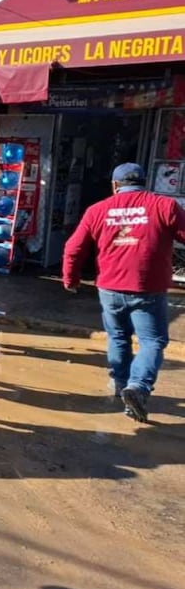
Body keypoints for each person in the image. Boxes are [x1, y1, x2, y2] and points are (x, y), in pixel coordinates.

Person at [63, 162, 185, 423]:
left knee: (118, 336)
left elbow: (74, 247)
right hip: (147, 288)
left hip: (109, 287)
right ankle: (138, 387)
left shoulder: (97, 210)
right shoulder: (164, 206)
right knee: (152, 341)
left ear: (115, 185)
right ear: (145, 181)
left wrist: (70, 279)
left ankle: (121, 385)